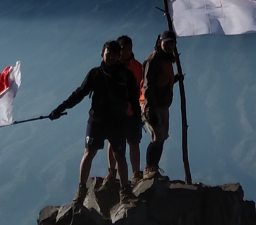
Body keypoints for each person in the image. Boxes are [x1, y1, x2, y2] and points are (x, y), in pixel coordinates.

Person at [49, 40, 137, 204]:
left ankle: (125, 190)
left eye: (114, 54)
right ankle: (82, 189)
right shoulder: (95, 74)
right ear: (102, 54)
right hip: (97, 121)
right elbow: (80, 93)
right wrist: (60, 108)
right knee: (89, 153)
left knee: (120, 156)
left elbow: (134, 98)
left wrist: (135, 118)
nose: (110, 57)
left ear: (119, 56)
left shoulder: (125, 75)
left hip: (117, 122)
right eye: (108, 54)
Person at [141, 30, 179, 179]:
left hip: (163, 105)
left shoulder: (168, 59)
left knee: (162, 137)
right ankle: (149, 168)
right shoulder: (153, 60)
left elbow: (161, 82)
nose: (169, 46)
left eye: (172, 43)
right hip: (152, 105)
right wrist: (149, 109)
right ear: (160, 43)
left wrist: (174, 79)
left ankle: (154, 167)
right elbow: (148, 86)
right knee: (157, 137)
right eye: (166, 43)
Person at [107, 35, 144, 184]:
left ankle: (136, 174)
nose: (126, 52)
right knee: (113, 142)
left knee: (133, 142)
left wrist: (140, 105)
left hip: (133, 110)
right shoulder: (111, 67)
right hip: (116, 112)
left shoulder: (137, 66)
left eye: (129, 48)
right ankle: (112, 172)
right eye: (123, 49)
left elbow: (142, 87)